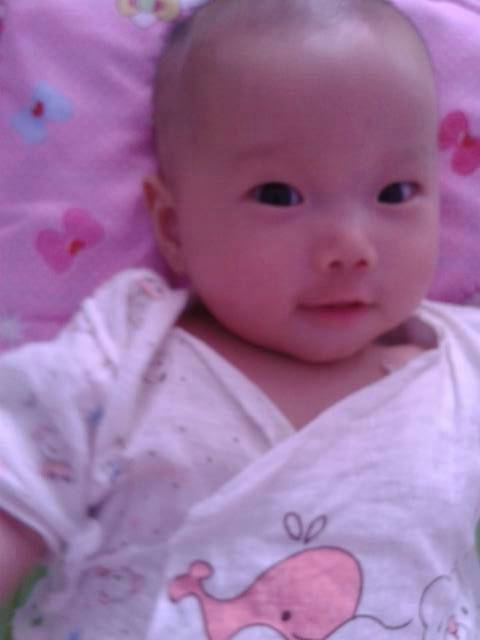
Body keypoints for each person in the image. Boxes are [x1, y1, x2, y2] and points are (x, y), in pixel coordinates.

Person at [0, 0, 479, 638]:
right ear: (173, 226)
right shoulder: (122, 354)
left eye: (395, 193)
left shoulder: (463, 364)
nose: (350, 247)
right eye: (279, 196)